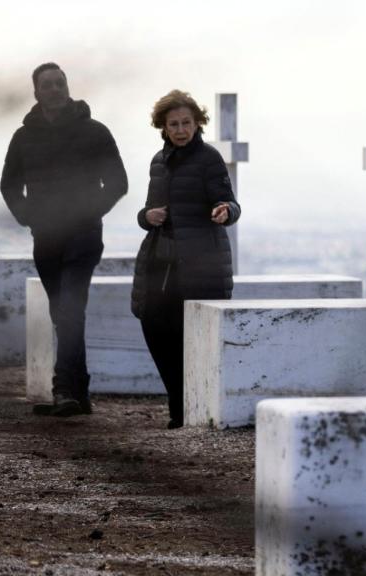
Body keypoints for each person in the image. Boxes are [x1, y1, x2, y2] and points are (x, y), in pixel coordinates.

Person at [0, 62, 128, 417]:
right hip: (46, 239)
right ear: (37, 92)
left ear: (67, 87)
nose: (55, 89)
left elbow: (118, 182)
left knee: (70, 310)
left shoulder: (95, 132)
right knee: (64, 314)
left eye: (60, 83)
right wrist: (30, 217)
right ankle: (79, 391)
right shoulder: (23, 138)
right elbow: (9, 185)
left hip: (84, 237)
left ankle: (63, 391)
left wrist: (89, 212)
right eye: (47, 85)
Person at [130, 90, 241, 429]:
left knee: (187, 336)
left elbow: (230, 202)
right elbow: (147, 212)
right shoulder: (158, 162)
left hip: (200, 263)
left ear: (197, 123)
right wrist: (147, 216)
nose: (180, 130)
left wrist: (225, 211)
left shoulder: (208, 159)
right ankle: (178, 403)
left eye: (186, 123)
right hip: (160, 262)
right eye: (174, 124)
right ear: (163, 127)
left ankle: (184, 411)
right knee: (152, 326)